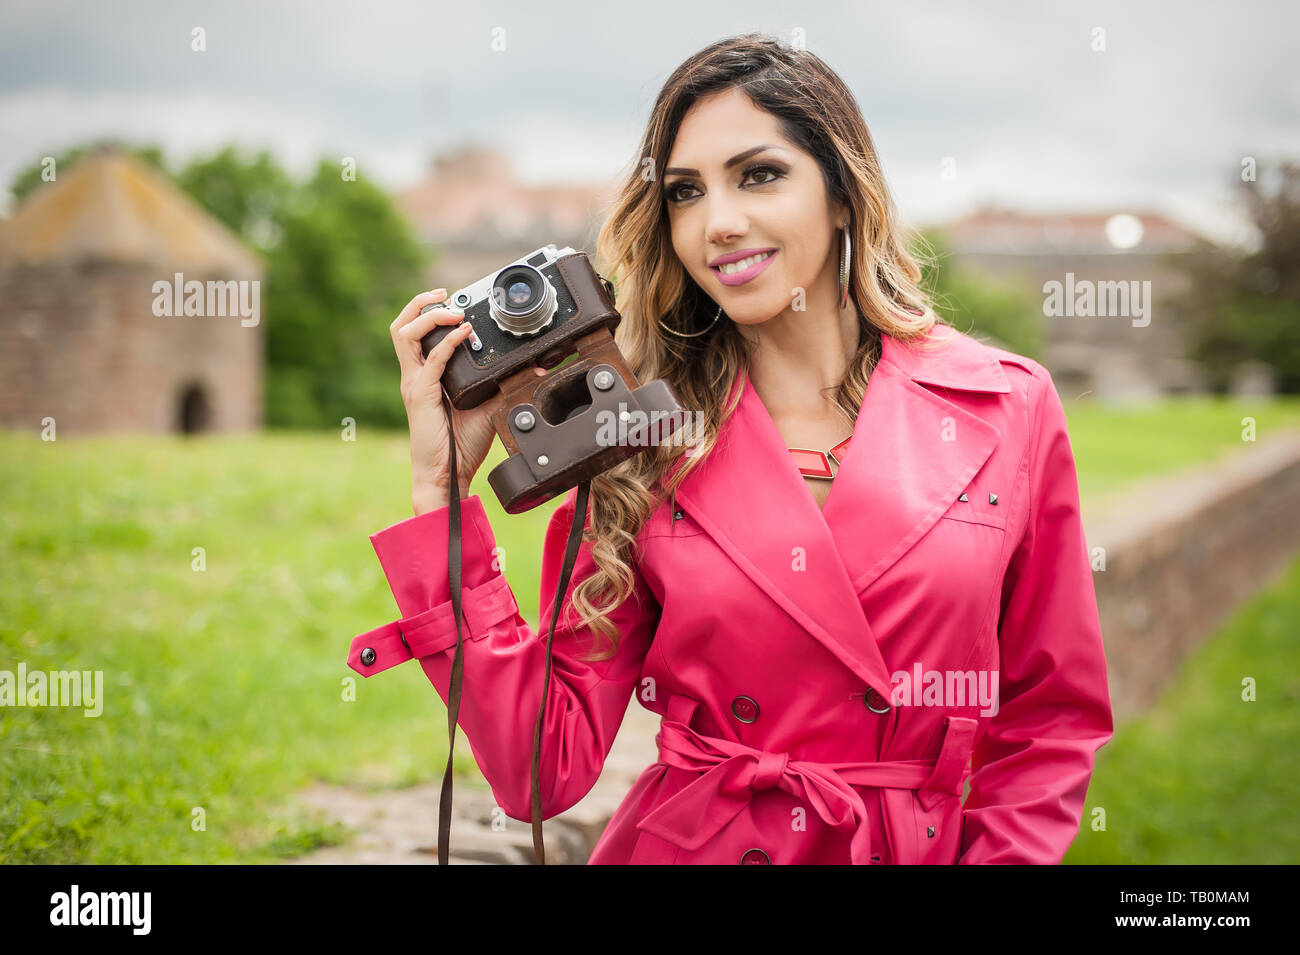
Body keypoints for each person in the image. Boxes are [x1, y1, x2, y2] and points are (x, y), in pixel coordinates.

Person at [347, 33, 1113, 864]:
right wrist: (441, 491)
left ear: (844, 192)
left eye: (760, 174)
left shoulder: (1008, 404)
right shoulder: (635, 436)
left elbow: (1049, 720)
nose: (719, 223)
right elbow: (542, 769)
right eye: (684, 192)